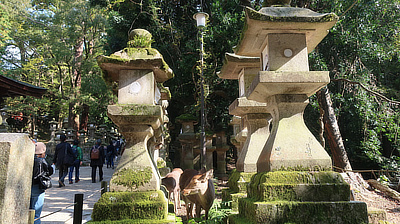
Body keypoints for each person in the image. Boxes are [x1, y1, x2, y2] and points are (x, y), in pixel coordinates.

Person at [30, 142, 53, 224]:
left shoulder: (28, 159)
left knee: (28, 212)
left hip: (29, 186)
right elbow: (49, 171)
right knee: (36, 214)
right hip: (38, 187)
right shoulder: (42, 161)